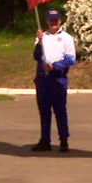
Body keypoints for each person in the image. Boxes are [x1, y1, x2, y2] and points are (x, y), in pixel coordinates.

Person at [31, 8, 76, 153]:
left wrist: (55, 67)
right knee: (44, 111)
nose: (53, 22)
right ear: (46, 21)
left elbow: (70, 59)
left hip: (59, 78)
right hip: (43, 78)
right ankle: (45, 140)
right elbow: (37, 56)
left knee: (60, 110)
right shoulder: (41, 37)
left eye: (56, 19)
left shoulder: (67, 38)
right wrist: (39, 42)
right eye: (51, 20)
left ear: (60, 20)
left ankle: (64, 140)